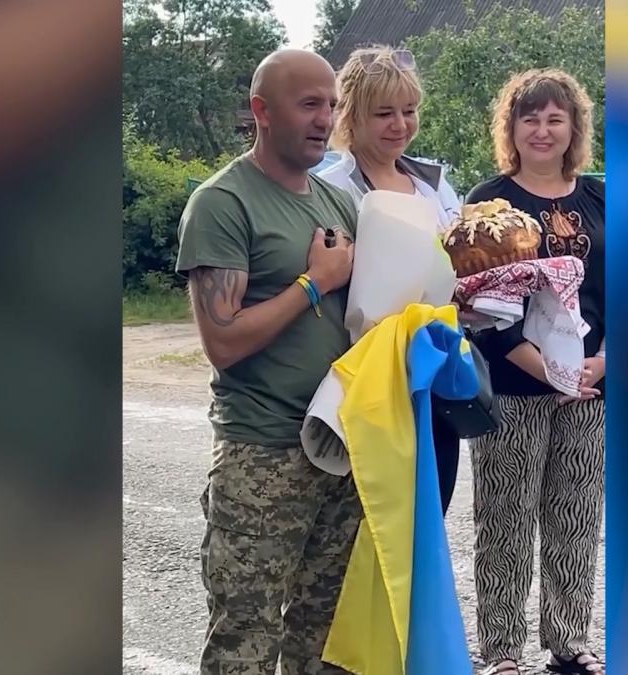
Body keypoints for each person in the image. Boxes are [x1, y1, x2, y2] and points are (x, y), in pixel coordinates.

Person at [174, 49, 360, 674]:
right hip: (262, 455)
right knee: (245, 640)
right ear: (262, 110)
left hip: (337, 447)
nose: (325, 119)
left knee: (324, 640)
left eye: (331, 105)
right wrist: (314, 283)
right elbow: (222, 341)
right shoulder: (223, 202)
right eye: (309, 104)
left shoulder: (336, 203)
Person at [465, 69, 607, 675]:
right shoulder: (489, 203)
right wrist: (551, 370)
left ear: (574, 127)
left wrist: (602, 364)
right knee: (505, 520)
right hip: (513, 386)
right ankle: (501, 651)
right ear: (512, 128)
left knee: (576, 518)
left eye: (555, 119)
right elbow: (477, 307)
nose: (543, 130)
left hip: (591, 389)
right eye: (530, 119)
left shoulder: (602, 199)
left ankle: (569, 642)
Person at [317, 45, 466, 513]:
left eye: (409, 110)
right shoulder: (331, 189)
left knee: (429, 511)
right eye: (384, 113)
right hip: (366, 378)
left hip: (432, 372)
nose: (400, 124)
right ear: (351, 116)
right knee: (374, 518)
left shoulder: (434, 185)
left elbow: (462, 264)